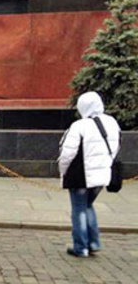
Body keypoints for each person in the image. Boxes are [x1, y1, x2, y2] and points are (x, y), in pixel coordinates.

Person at [58, 91, 120, 257]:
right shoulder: (112, 123)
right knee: (87, 205)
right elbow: (115, 148)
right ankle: (93, 242)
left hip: (81, 176)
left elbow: (67, 154)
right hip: (102, 175)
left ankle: (81, 247)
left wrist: (63, 172)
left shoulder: (80, 125)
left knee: (78, 209)